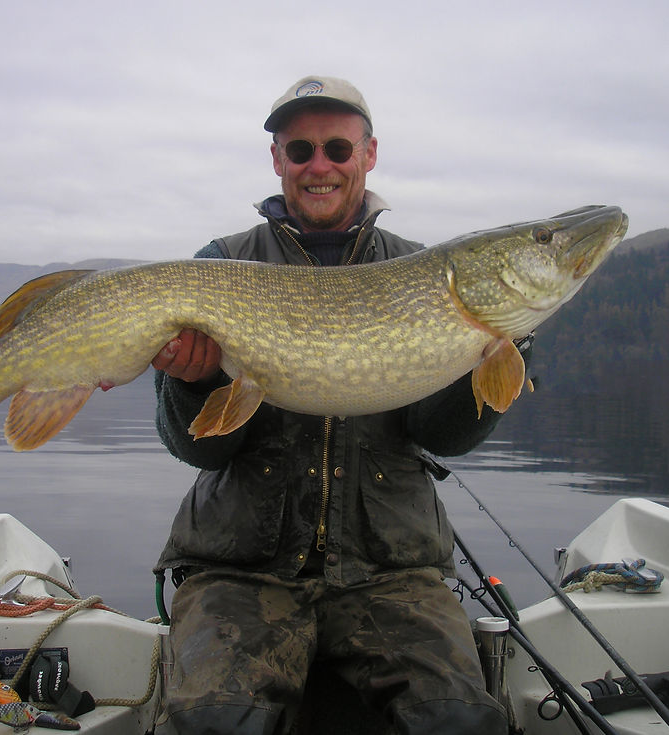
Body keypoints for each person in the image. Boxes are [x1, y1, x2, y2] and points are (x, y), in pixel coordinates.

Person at [150, 76, 524, 735]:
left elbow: (444, 435)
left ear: (368, 154)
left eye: (336, 148)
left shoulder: (426, 273)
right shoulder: (221, 264)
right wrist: (193, 382)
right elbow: (198, 447)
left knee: (460, 720)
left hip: (391, 573)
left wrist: (501, 347)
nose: (318, 165)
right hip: (243, 571)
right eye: (299, 150)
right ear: (277, 160)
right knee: (215, 724)